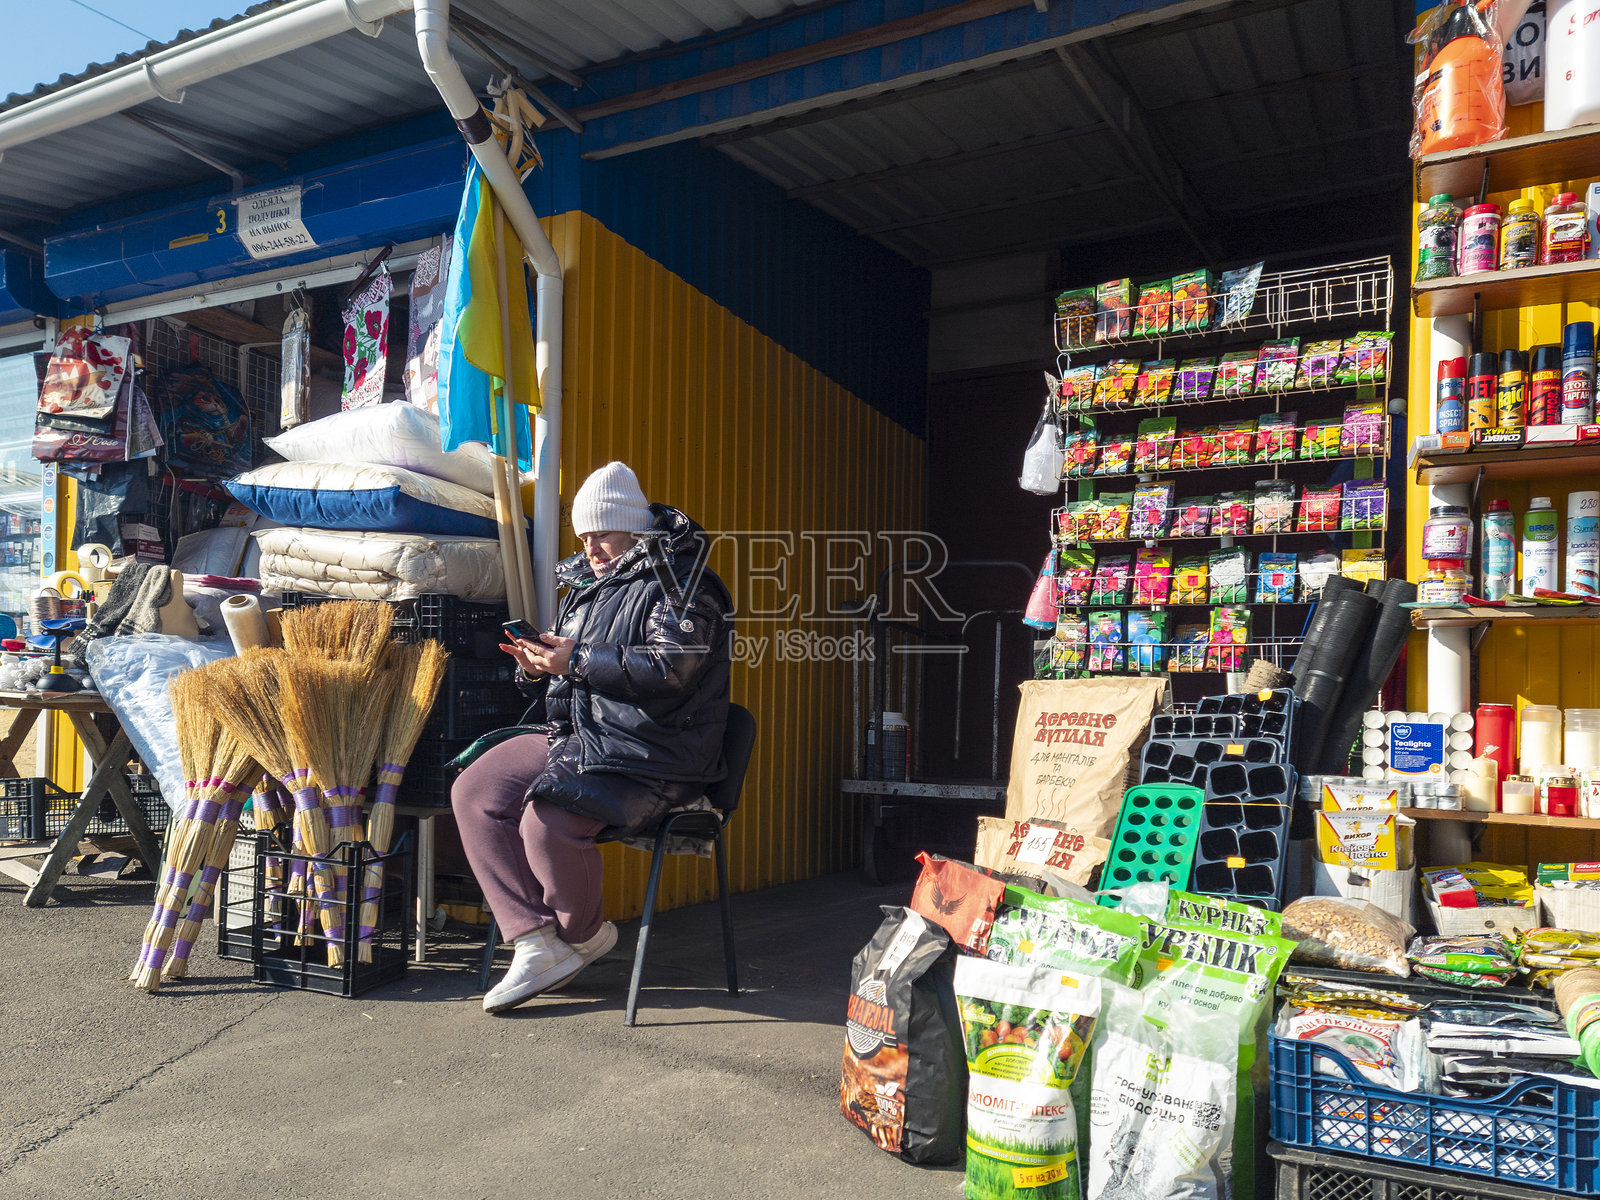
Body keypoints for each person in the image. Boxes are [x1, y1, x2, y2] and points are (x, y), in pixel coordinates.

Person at [452, 462, 732, 1013]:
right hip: (581, 735)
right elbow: (578, 664)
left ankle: (579, 935)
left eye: (602, 533)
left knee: (546, 820)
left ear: (634, 527)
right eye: (583, 535)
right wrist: (538, 666)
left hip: (653, 748)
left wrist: (574, 659)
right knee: (475, 790)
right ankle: (534, 940)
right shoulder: (589, 585)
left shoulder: (684, 581)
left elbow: (672, 667)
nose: (592, 547)